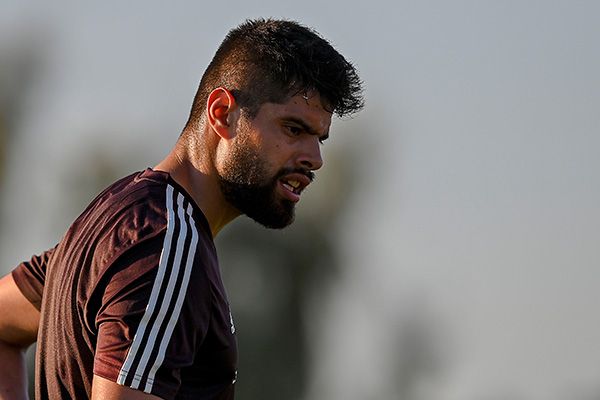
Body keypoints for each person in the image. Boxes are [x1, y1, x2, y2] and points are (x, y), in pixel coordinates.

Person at [0, 18, 363, 400]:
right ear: (223, 113)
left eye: (319, 138)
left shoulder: (120, 217)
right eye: (293, 129)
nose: (315, 158)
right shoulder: (166, 244)